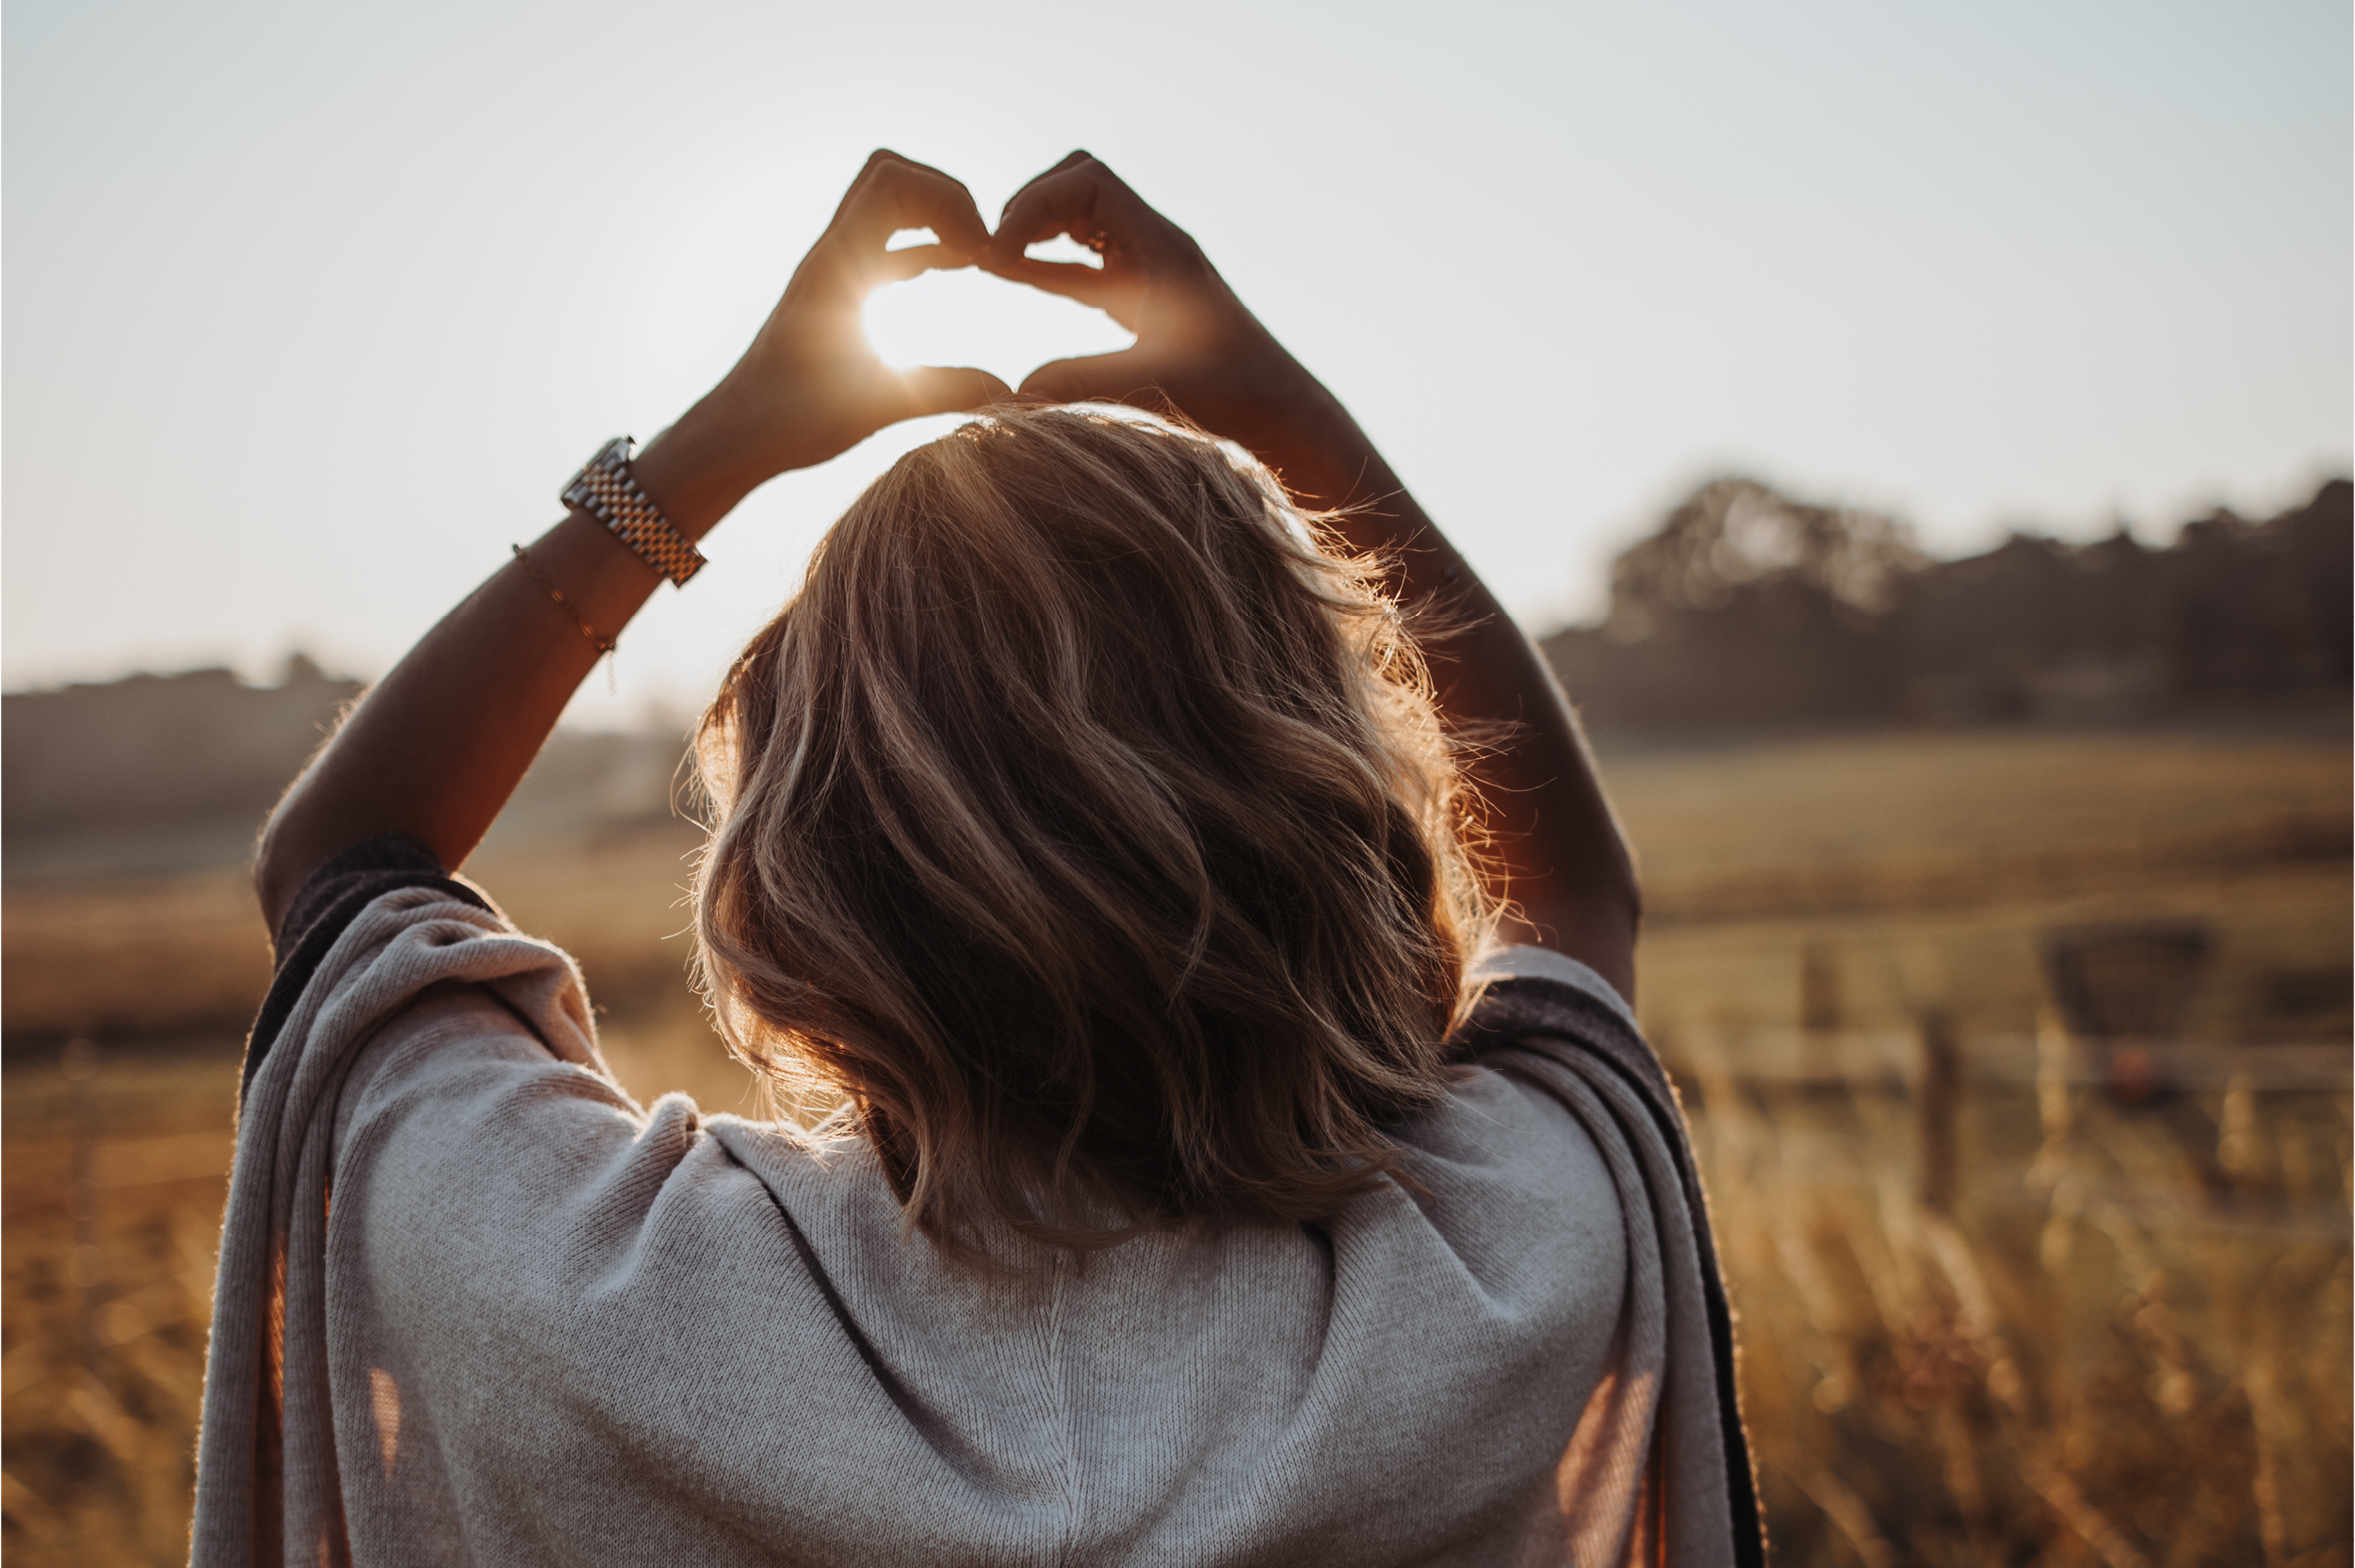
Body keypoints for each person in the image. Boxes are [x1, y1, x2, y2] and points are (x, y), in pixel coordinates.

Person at [193, 150, 1762, 1566]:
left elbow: (341, 856)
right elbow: (1573, 899)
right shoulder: (1490, 1277)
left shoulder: (606, 1294)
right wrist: (1285, 417)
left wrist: (717, 446)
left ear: (792, 871)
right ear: (1329, 818)